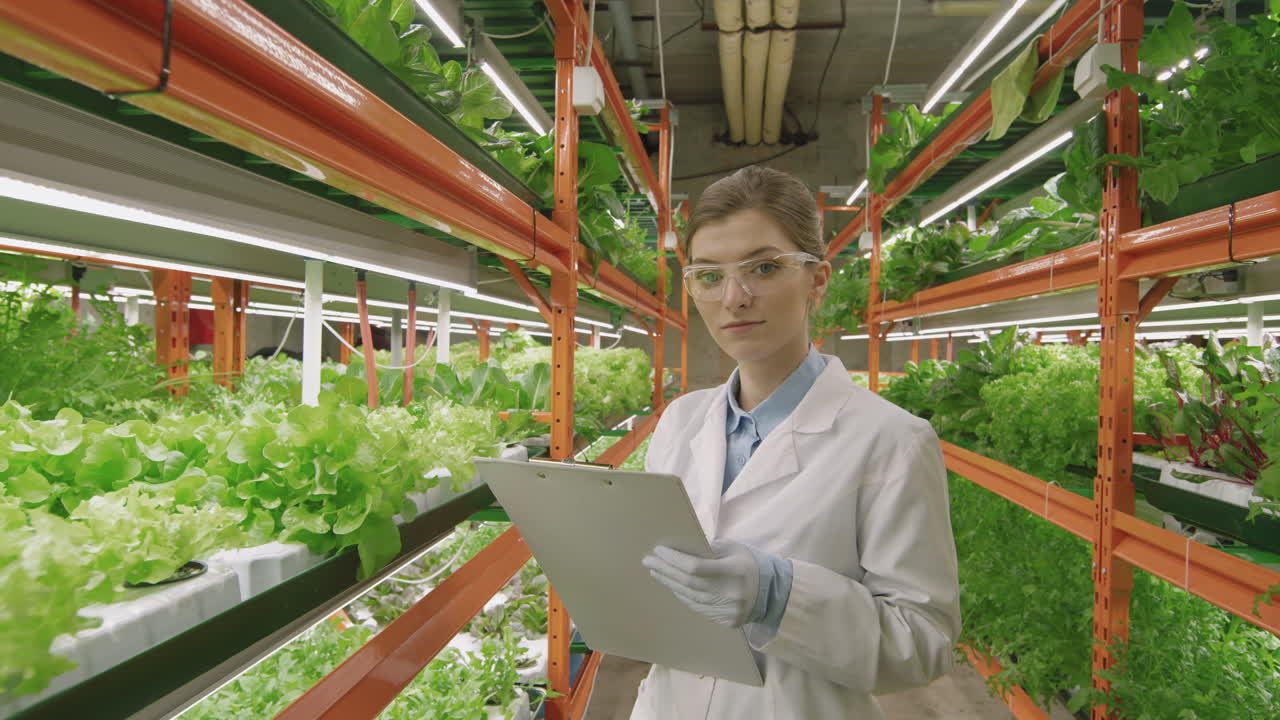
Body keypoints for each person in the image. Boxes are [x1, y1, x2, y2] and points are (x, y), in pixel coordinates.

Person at [631, 166, 961, 719]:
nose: (734, 298)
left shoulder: (892, 440)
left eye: (763, 267)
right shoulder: (680, 421)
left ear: (818, 279)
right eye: (708, 276)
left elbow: (925, 642)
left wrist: (779, 596)